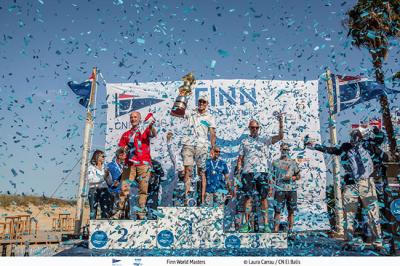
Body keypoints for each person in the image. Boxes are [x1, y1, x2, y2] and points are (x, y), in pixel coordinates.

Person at [305, 129, 388, 250]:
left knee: (373, 213)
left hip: (366, 183)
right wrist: (314, 146)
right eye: (353, 137)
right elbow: (332, 150)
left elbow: (381, 144)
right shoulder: (346, 147)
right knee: (349, 214)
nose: (354, 140)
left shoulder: (368, 145)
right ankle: (348, 241)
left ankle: (378, 242)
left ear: (361, 138)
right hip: (350, 184)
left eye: (357, 137)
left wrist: (376, 131)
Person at [235, 115, 284, 233]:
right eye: (252, 128)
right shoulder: (244, 141)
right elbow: (240, 159)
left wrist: (281, 122)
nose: (255, 130)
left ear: (259, 128)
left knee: (264, 198)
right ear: (249, 128)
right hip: (248, 172)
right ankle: (247, 224)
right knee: (248, 198)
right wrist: (238, 174)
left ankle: (266, 225)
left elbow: (280, 136)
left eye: (256, 128)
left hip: (262, 172)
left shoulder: (265, 139)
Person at [118, 111, 156, 219]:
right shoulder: (126, 134)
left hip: (143, 164)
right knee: (124, 188)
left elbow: (153, 134)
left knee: (143, 189)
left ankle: (141, 212)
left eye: (135, 117)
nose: (133, 119)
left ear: (139, 119)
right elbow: (121, 147)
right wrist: (124, 149)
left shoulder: (144, 130)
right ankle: (120, 211)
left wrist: (151, 126)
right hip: (129, 164)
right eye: (131, 117)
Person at [180, 95, 216, 205]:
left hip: (202, 146)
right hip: (188, 143)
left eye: (204, 102)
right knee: (188, 170)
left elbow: (212, 134)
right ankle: (187, 199)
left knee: (202, 172)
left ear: (207, 104)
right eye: (200, 101)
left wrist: (212, 148)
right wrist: (181, 96)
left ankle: (203, 199)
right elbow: (176, 112)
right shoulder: (191, 112)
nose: (201, 103)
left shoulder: (210, 117)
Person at [272, 143, 301, 237]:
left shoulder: (293, 162)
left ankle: (290, 230)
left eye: (287, 150)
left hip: (291, 190)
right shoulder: (275, 162)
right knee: (277, 211)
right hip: (279, 189)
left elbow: (298, 176)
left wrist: (292, 178)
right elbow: (271, 177)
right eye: (283, 149)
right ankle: (275, 231)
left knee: (291, 211)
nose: (285, 151)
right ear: (280, 150)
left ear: (289, 151)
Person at [87, 150, 112, 219]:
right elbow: (91, 180)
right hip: (94, 190)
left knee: (105, 210)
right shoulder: (91, 167)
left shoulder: (105, 168)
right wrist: (103, 177)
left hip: (104, 190)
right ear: (97, 157)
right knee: (93, 210)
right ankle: (92, 228)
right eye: (103, 156)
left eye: (104, 156)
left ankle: (103, 228)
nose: (104, 158)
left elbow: (110, 182)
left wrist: (107, 176)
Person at [105, 148, 126, 219]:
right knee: (112, 211)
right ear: (120, 156)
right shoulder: (110, 165)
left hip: (122, 191)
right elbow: (105, 177)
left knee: (122, 210)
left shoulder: (124, 166)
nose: (126, 157)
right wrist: (112, 183)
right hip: (113, 190)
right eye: (124, 155)